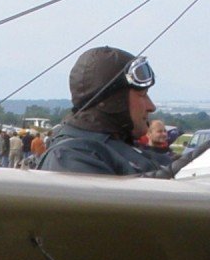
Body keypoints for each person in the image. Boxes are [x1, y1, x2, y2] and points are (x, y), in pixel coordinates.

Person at [39, 47, 175, 177]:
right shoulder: (70, 156)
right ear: (115, 101)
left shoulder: (113, 147)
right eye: (142, 94)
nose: (151, 106)